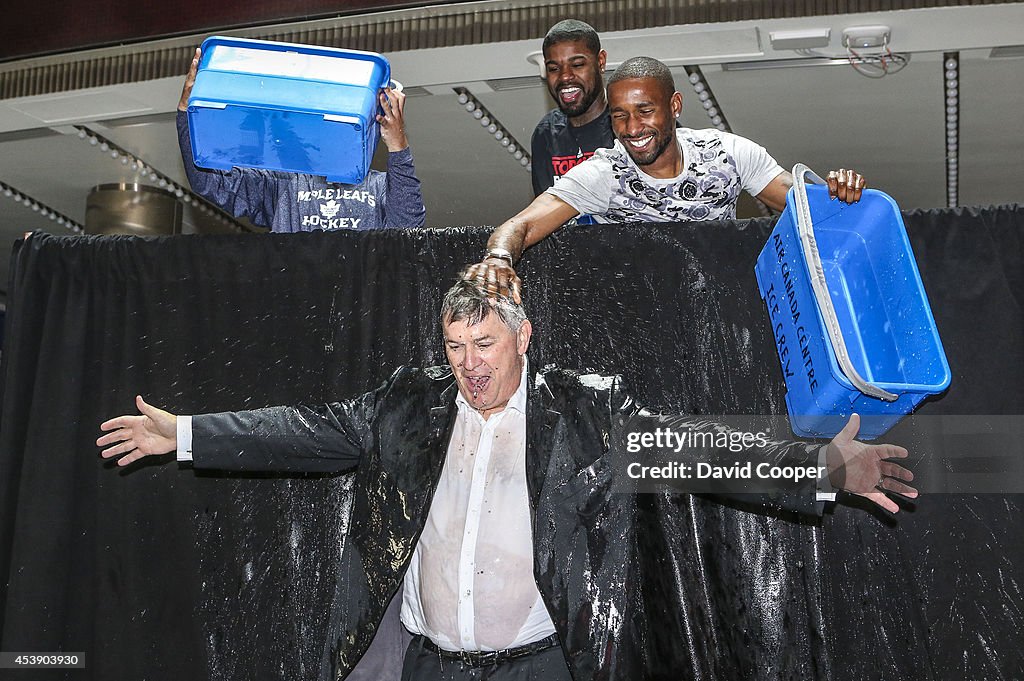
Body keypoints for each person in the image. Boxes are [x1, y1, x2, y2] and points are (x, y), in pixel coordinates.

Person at [97, 281, 915, 680]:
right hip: (428, 664)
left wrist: (823, 466)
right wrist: (187, 433)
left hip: (538, 666)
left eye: (483, 343)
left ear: (523, 334)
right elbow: (302, 429)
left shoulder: (586, 411)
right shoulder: (406, 403)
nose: (468, 365)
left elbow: (691, 447)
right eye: (454, 347)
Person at [468, 56, 867, 302]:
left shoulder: (726, 152)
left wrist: (837, 191)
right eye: (620, 115)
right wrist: (499, 258)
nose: (632, 127)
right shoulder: (603, 174)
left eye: (645, 111)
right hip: (642, 314)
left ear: (674, 106)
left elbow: (804, 205)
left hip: (720, 303)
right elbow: (520, 224)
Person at [176, 48, 426, 232]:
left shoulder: (380, 188)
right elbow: (208, 181)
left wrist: (398, 144)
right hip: (295, 301)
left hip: (361, 303)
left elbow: (408, 231)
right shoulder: (285, 182)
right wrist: (187, 112)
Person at [531, 20, 614, 197]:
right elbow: (544, 210)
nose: (565, 77)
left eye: (577, 65)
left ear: (600, 62)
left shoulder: (634, 121)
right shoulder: (545, 133)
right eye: (554, 68)